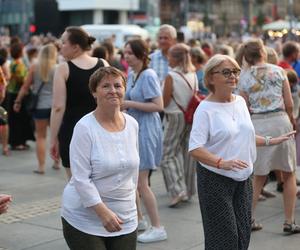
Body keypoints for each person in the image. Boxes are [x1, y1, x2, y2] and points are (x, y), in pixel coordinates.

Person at [189, 54, 296, 250]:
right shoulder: (205, 109)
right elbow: (195, 149)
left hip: (244, 177)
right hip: (215, 179)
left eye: (236, 72)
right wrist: (221, 162)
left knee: (242, 235)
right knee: (224, 238)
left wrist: (270, 141)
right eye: (226, 72)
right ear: (211, 78)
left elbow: (245, 135)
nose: (233, 76)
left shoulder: (239, 102)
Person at [61, 67, 139, 250]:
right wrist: (103, 212)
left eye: (118, 85)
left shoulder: (133, 125)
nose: (113, 90)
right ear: (94, 93)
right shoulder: (85, 128)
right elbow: (80, 178)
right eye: (105, 86)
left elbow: (133, 172)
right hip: (85, 218)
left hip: (125, 217)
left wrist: (136, 209)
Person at [237, 39, 300, 233]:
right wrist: (291, 119)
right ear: (263, 52)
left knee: (259, 175)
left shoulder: (244, 76)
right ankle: (289, 221)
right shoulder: (278, 71)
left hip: (258, 124)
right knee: (288, 174)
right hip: (280, 121)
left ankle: (249, 218)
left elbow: (243, 106)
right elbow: (289, 103)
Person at [123, 39, 167, 243]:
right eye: (125, 53)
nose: (126, 57)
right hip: (136, 129)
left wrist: (129, 103)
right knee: (135, 181)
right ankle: (140, 220)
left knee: (141, 182)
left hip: (147, 130)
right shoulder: (132, 74)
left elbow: (158, 105)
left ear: (141, 54)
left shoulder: (148, 75)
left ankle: (158, 226)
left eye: (130, 53)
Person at [50, 26, 108, 179]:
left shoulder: (63, 69)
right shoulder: (103, 64)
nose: (60, 46)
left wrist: (53, 138)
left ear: (75, 47)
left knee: (77, 184)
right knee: (102, 182)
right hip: (101, 129)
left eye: (63, 43)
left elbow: (58, 107)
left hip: (73, 132)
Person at [161, 43, 197, 207]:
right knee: (187, 153)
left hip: (174, 116)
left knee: (167, 154)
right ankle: (189, 189)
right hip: (190, 116)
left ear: (175, 58)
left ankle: (177, 189)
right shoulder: (193, 74)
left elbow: (165, 101)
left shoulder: (171, 76)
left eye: (169, 56)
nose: (167, 58)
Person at [13, 44, 59, 174]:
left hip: (40, 106)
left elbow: (25, 87)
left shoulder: (34, 67)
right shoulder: (59, 68)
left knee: (41, 137)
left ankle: (41, 166)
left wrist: (18, 101)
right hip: (55, 106)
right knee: (56, 136)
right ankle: (57, 161)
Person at [7, 42, 35, 150]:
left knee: (14, 119)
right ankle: (18, 142)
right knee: (20, 119)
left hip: (12, 92)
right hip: (19, 94)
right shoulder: (19, 64)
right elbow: (23, 80)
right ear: (20, 52)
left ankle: (17, 141)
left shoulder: (12, 63)